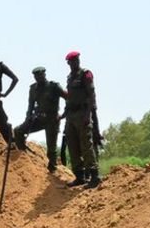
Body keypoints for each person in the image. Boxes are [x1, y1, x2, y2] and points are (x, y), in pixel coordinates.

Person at [14, 67, 67, 172]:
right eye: (35, 76)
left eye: (40, 75)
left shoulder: (54, 86)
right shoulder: (33, 89)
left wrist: (63, 115)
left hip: (52, 120)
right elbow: (30, 106)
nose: (37, 77)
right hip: (38, 119)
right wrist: (27, 119)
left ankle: (53, 169)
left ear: (44, 75)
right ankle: (25, 156)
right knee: (18, 131)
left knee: (51, 150)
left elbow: (68, 98)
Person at [63, 51, 100, 188]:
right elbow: (70, 98)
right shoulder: (70, 77)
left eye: (76, 60)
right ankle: (80, 176)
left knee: (86, 145)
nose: (74, 62)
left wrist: (87, 114)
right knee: (72, 145)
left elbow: (91, 95)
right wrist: (63, 115)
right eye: (72, 61)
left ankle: (94, 175)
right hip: (71, 115)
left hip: (82, 113)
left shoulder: (85, 74)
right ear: (68, 63)